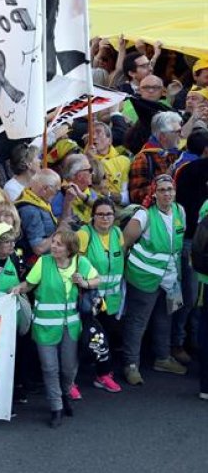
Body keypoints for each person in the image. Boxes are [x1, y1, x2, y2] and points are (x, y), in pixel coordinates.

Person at [12, 230, 100, 428]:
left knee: (68, 368)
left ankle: (66, 393)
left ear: (70, 249)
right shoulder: (43, 263)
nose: (54, 246)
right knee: (50, 369)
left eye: (59, 244)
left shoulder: (80, 262)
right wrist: (18, 288)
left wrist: (84, 282)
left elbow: (97, 279)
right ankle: (56, 407)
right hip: (44, 327)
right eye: (53, 242)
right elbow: (29, 284)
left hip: (71, 327)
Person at [121, 174, 188, 385]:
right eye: (162, 190)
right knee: (137, 321)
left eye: (170, 189)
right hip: (144, 277)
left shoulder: (180, 211)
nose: (167, 193)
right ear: (154, 193)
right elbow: (125, 241)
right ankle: (131, 364)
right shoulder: (144, 215)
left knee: (165, 317)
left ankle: (162, 357)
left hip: (170, 278)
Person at [77, 197, 124, 394]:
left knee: (106, 337)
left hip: (111, 300)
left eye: (109, 214)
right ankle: (92, 376)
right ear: (92, 216)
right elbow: (76, 263)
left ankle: (102, 373)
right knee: (91, 338)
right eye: (100, 214)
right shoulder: (84, 234)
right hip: (90, 298)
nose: (105, 218)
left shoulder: (117, 233)